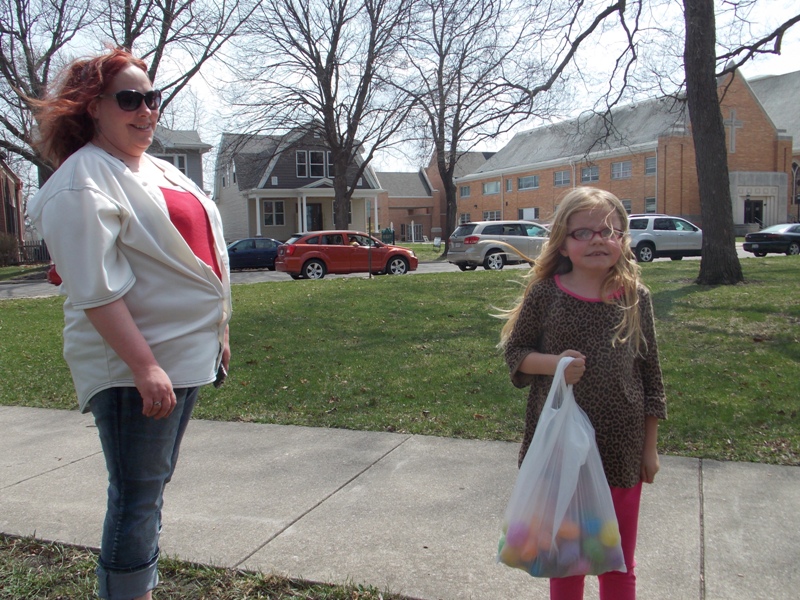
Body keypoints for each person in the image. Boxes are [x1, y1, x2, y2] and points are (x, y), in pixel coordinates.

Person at [26, 48, 232, 600]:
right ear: (93, 107)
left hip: (183, 356)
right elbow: (96, 290)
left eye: (152, 98)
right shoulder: (80, 181)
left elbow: (203, 256)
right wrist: (144, 367)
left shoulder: (159, 169)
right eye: (129, 100)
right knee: (137, 495)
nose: (146, 111)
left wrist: (220, 331)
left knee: (152, 485)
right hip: (133, 368)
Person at [498, 187, 667, 600]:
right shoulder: (546, 294)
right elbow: (516, 355)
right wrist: (554, 364)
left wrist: (649, 448)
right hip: (561, 450)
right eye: (584, 232)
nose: (598, 240)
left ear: (623, 239)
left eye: (610, 231)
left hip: (621, 450)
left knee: (618, 562)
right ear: (563, 243)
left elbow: (651, 376)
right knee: (566, 559)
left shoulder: (635, 298)